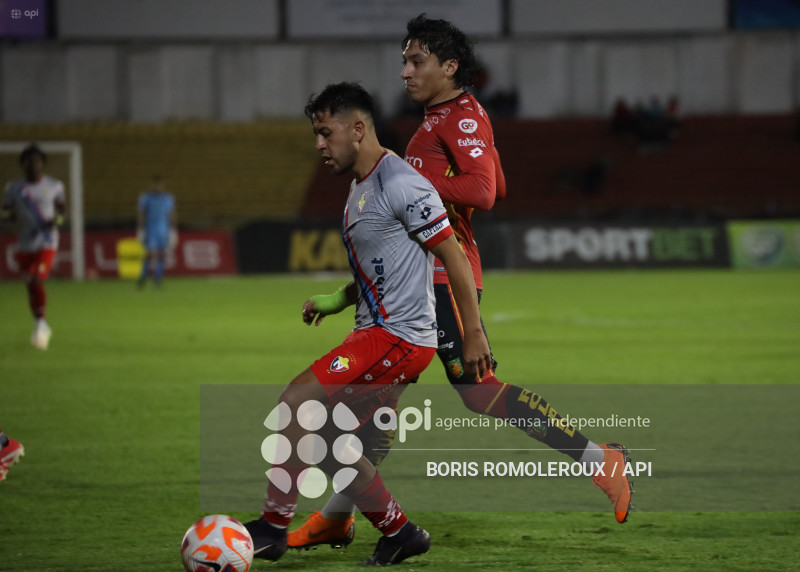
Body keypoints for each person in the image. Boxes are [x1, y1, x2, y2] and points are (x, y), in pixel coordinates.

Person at [288, 14, 633, 552]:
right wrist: (343, 297)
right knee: (376, 406)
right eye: (404, 60)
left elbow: (484, 191)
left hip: (446, 279)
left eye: (417, 60)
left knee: (477, 391)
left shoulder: (459, 115)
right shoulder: (440, 119)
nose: (405, 71)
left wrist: (409, 174)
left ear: (450, 68)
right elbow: (495, 177)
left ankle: (599, 459)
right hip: (418, 277)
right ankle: (336, 516)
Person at [243, 82, 492, 566]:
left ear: (357, 129)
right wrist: (338, 299)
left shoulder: (401, 183)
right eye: (315, 133)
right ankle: (401, 533)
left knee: (296, 402)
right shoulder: (360, 186)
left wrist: (474, 334)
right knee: (334, 442)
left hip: (398, 337)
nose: (318, 144)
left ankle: (273, 528)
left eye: (325, 132)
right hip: (376, 333)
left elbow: (453, 256)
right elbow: (384, 268)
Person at [1, 143, 65, 350]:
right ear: (22, 165)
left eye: (36, 161)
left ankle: (41, 325)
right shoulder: (13, 188)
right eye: (29, 162)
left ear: (43, 164)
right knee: (30, 284)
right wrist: (11, 217)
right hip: (25, 242)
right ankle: (40, 322)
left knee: (37, 278)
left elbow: (62, 213)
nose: (33, 165)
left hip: (47, 241)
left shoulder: (55, 186)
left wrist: (57, 221)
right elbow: (4, 213)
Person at [136, 175, 176, 288]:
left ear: (163, 186)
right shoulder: (145, 198)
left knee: (162, 254)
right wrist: (141, 230)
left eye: (160, 185)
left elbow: (171, 214)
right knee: (149, 254)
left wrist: (173, 230)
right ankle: (143, 275)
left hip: (163, 231)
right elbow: (141, 214)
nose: (158, 187)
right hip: (150, 230)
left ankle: (158, 278)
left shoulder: (167, 198)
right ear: (151, 185)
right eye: (155, 185)